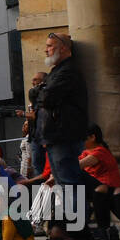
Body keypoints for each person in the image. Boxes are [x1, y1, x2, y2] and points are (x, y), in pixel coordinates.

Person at [34, 33, 88, 187]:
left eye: (50, 46)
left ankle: (76, 212)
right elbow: (42, 95)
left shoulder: (68, 70)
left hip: (64, 136)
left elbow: (46, 97)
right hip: (56, 136)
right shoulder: (57, 71)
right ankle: (73, 211)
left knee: (68, 183)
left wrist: (39, 92)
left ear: (63, 48)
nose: (46, 50)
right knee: (62, 183)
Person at [78, 123, 120, 240]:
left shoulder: (101, 152)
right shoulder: (86, 152)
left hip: (107, 189)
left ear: (92, 137)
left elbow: (76, 166)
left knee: (76, 175)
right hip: (96, 190)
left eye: (83, 138)